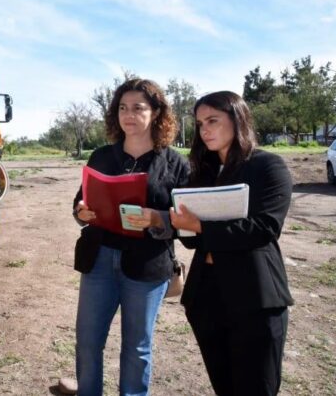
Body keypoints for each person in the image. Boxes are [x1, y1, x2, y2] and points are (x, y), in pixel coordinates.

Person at [70, 78, 189, 396]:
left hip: (148, 265)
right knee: (87, 342)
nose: (129, 114)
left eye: (138, 107)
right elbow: (81, 200)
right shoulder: (102, 156)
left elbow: (189, 222)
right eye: (123, 107)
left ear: (156, 113)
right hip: (99, 261)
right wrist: (81, 211)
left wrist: (157, 218)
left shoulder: (175, 163)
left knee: (137, 348)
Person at [170, 91, 293, 396]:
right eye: (200, 124)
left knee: (256, 388)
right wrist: (180, 225)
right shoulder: (204, 173)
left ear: (238, 120)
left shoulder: (268, 166)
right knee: (224, 386)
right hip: (206, 296)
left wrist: (199, 225)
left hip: (255, 297)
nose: (205, 130)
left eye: (213, 120)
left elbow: (265, 228)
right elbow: (192, 241)